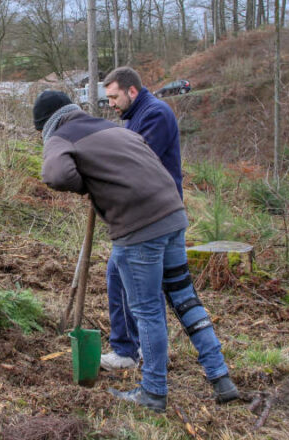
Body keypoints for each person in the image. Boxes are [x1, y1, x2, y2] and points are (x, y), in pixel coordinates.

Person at [33, 91, 238, 412]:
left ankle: (153, 392)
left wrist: (86, 183)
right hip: (172, 213)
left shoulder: (60, 136)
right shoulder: (110, 127)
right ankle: (221, 377)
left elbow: (56, 174)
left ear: (46, 125)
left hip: (139, 226)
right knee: (184, 298)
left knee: (147, 310)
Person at [98, 66, 186, 371]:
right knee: (123, 278)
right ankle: (136, 349)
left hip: (154, 218)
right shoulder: (136, 117)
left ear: (131, 91)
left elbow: (135, 163)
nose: (110, 104)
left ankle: (138, 352)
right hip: (145, 214)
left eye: (114, 97)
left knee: (144, 289)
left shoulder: (155, 115)